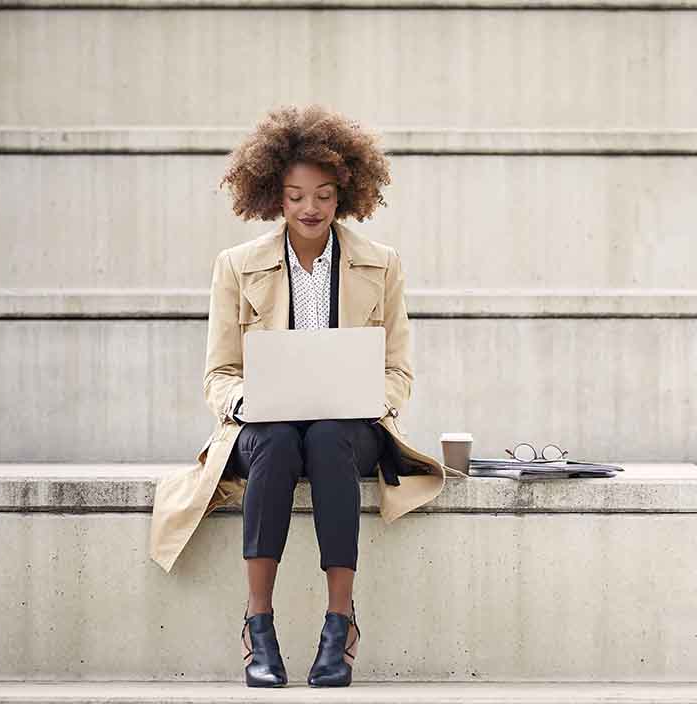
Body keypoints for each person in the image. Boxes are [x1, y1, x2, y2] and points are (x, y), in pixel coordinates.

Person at [146, 104, 464, 689]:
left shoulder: (382, 264)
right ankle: (258, 625)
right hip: (263, 427)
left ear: (346, 192)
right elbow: (218, 373)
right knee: (273, 441)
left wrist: (373, 396)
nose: (310, 209)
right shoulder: (236, 267)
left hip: (349, 427)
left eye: (322, 194)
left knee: (327, 436)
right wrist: (247, 399)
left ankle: (339, 624)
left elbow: (399, 369)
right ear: (273, 196)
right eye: (295, 196)